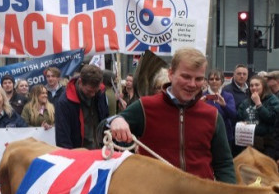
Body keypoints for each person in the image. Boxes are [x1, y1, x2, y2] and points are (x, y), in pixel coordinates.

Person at [108, 47, 235, 184]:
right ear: (171, 74)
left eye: (198, 78)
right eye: (186, 76)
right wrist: (116, 120)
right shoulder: (145, 107)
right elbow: (103, 130)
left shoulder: (212, 115)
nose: (192, 84)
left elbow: (224, 164)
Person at [55, 64, 108, 149]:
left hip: (100, 150)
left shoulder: (101, 93)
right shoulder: (64, 103)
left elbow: (105, 119)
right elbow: (62, 139)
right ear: (80, 82)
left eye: (96, 91)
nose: (93, 94)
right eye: (89, 91)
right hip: (79, 154)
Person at [237, 75, 279, 159]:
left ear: (263, 86)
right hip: (249, 142)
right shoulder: (246, 102)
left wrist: (258, 104)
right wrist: (241, 123)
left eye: (257, 85)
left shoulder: (272, 100)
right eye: (251, 85)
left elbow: (272, 119)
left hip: (267, 143)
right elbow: (239, 116)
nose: (253, 87)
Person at [200, 69, 236, 149]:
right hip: (206, 134)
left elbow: (233, 115)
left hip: (225, 134)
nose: (214, 81)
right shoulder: (201, 96)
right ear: (208, 81)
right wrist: (200, 105)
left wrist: (224, 105)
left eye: (217, 79)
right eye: (211, 79)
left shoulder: (228, 96)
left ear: (222, 81)